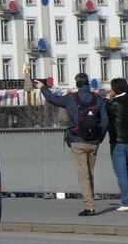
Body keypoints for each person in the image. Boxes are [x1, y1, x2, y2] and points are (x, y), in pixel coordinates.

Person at [30, 65, 107, 216]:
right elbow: (104, 121)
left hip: (77, 140)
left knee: (83, 175)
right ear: (88, 84)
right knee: (90, 174)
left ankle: (89, 206)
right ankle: (91, 200)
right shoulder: (98, 99)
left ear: (77, 84)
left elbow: (54, 99)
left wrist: (43, 88)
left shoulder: (71, 98)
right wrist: (99, 138)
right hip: (94, 142)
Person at [103, 78, 128, 212]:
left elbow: (105, 113)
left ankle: (126, 202)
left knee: (121, 173)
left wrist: (107, 100)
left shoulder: (114, 103)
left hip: (118, 141)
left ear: (115, 89)